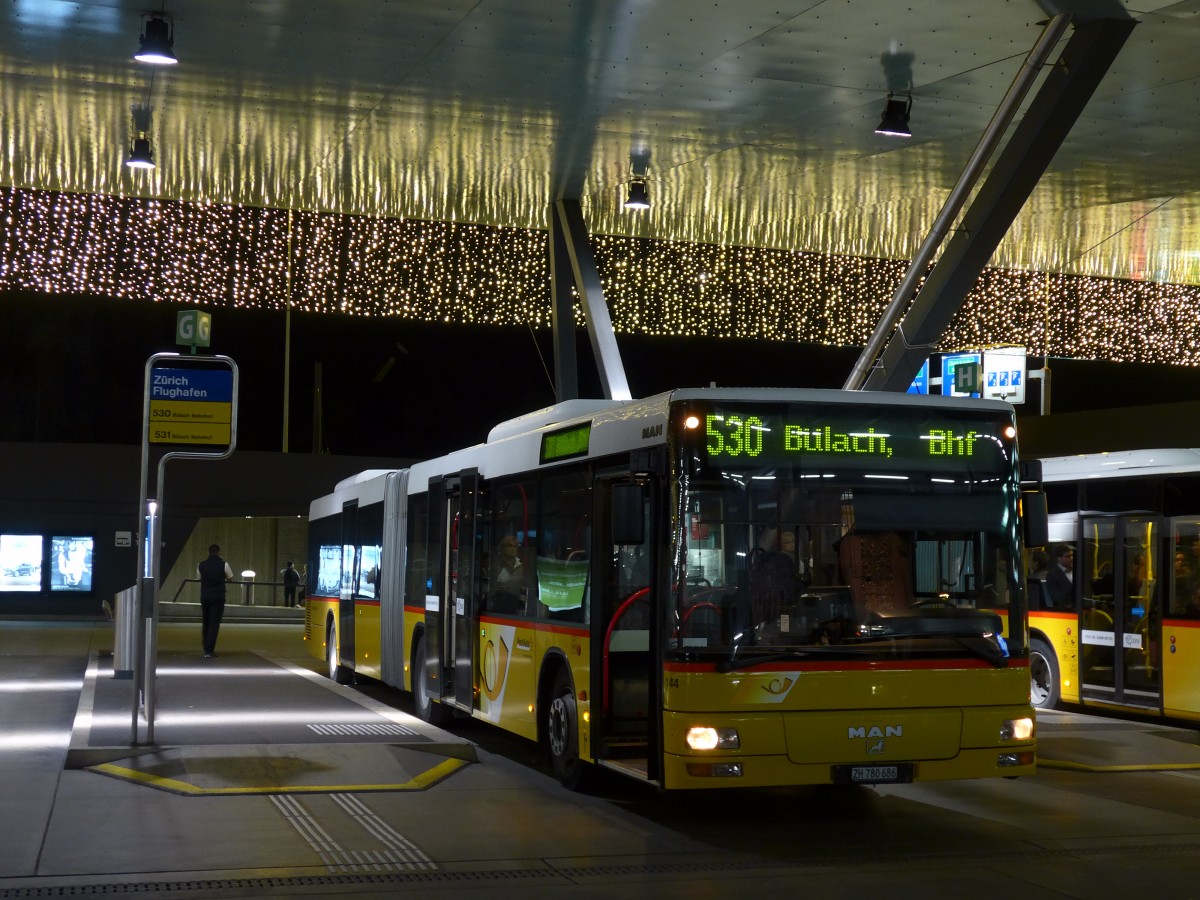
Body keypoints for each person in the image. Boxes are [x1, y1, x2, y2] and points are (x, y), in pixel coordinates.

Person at [197, 543, 233, 658]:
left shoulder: (201, 565)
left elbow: (199, 578)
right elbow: (231, 577)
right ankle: (209, 649)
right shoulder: (224, 564)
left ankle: (205, 646)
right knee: (214, 623)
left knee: (206, 620)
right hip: (218, 597)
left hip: (205, 596)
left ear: (209, 552)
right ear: (219, 552)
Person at [491, 535, 524, 612]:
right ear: (502, 548)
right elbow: (498, 583)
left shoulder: (519, 565)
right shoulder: (495, 563)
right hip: (497, 602)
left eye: (515, 547)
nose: (513, 549)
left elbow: (515, 583)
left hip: (513, 602)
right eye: (510, 546)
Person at [1046, 544, 1074, 609]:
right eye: (1068, 556)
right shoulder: (1052, 575)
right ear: (1059, 558)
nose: (1071, 558)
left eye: (1072, 555)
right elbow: (1055, 597)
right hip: (1065, 610)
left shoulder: (1076, 571)